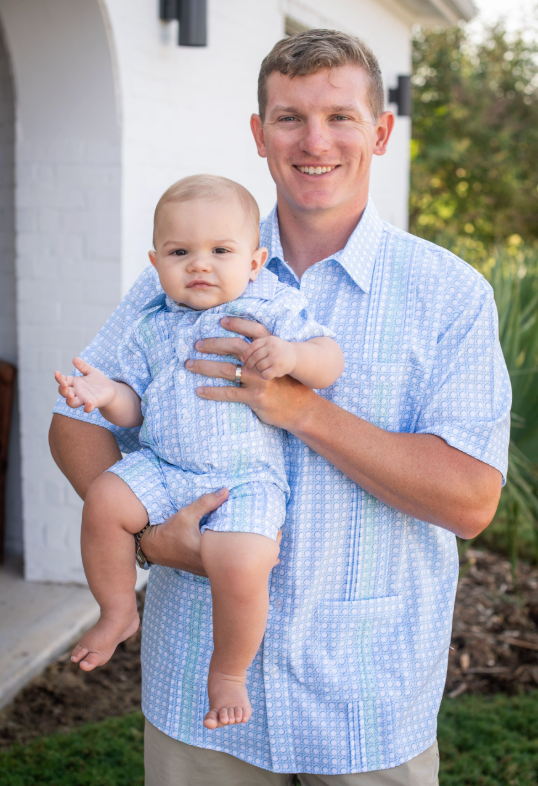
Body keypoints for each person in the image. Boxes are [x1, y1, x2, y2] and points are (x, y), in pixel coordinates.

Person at [49, 29, 511, 786]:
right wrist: (150, 536)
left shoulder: (447, 294)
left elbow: (469, 500)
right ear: (259, 136)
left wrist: (300, 409)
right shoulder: (190, 262)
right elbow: (77, 425)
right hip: (196, 685)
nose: (314, 141)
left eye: (339, 117)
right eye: (290, 118)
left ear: (381, 132)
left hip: (365, 700)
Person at [53, 175, 343, 730]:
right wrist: (103, 395)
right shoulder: (151, 323)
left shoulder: (270, 304)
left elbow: (329, 359)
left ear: (255, 261)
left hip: (244, 479)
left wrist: (291, 356)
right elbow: (132, 408)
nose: (200, 265)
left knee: (241, 564)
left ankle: (229, 672)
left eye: (220, 251)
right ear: (155, 261)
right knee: (105, 501)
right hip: (164, 465)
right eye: (180, 252)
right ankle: (117, 612)